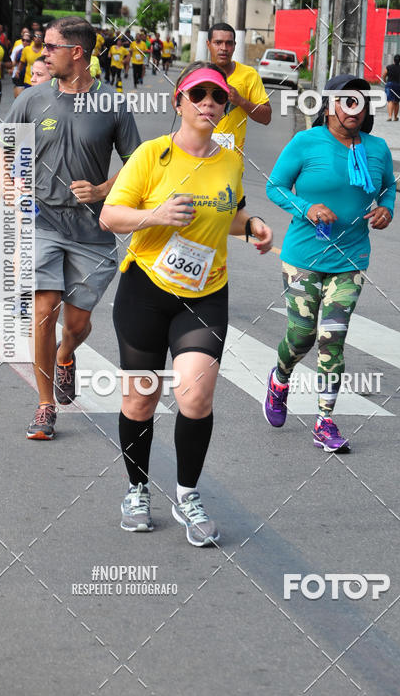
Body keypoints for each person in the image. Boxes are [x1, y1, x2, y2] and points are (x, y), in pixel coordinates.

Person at [99, 61, 273, 546]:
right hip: (146, 291)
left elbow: (230, 216)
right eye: (198, 95)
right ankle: (136, 490)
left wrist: (254, 225)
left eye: (217, 98)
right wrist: (155, 215)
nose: (209, 105)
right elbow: (109, 217)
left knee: (195, 396)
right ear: (179, 103)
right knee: (141, 398)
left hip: (205, 293)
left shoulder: (229, 159)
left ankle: (188, 495)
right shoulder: (152, 156)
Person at [0, 16, 141, 440]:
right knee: (43, 312)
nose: (43, 54)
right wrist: (5, 179)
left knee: (75, 325)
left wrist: (102, 190)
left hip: (92, 231)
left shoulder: (112, 103)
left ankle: (66, 356)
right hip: (42, 221)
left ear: (77, 52)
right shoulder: (32, 99)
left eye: (51, 47)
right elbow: (2, 143)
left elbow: (136, 166)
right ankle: (44, 405)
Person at [264, 75, 395, 452]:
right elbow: (274, 186)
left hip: (350, 258)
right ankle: (280, 378)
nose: (353, 108)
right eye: (345, 100)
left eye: (360, 101)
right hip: (303, 257)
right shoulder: (306, 143)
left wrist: (386, 208)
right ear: (328, 106)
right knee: (302, 335)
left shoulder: (377, 148)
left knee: (332, 337)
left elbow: (387, 187)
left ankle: (325, 420)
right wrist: (307, 207)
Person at [207, 22, 271, 156]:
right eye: (218, 43)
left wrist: (240, 101)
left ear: (235, 46)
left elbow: (266, 117)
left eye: (229, 43)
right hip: (196, 156)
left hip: (230, 160)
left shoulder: (249, 75)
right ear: (208, 44)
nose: (224, 48)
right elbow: (177, 103)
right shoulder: (196, 72)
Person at [382, 54, 400, 121]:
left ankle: (389, 116)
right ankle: (395, 117)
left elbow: (384, 75)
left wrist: (385, 81)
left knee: (390, 101)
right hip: (399, 86)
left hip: (390, 85)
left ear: (393, 60)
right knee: (396, 102)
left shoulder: (388, 67)